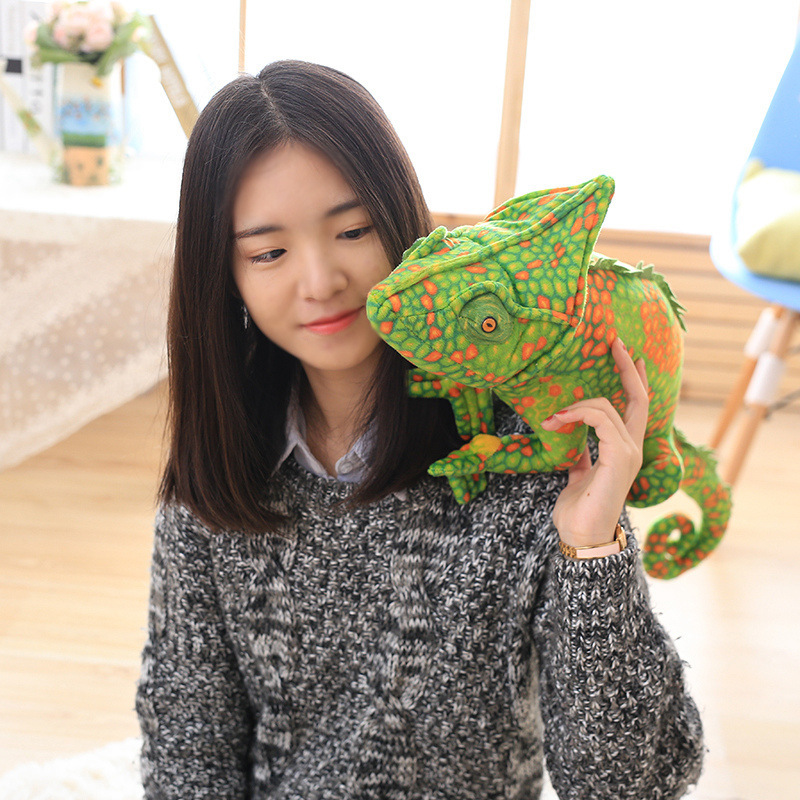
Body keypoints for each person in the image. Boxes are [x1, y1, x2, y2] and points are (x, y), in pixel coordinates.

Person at [136, 60, 704, 800]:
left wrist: (593, 548)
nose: (321, 281)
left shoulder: (530, 450)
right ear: (225, 274)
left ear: (404, 224)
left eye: (353, 230)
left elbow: (634, 785)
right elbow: (187, 747)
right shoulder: (221, 461)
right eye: (268, 252)